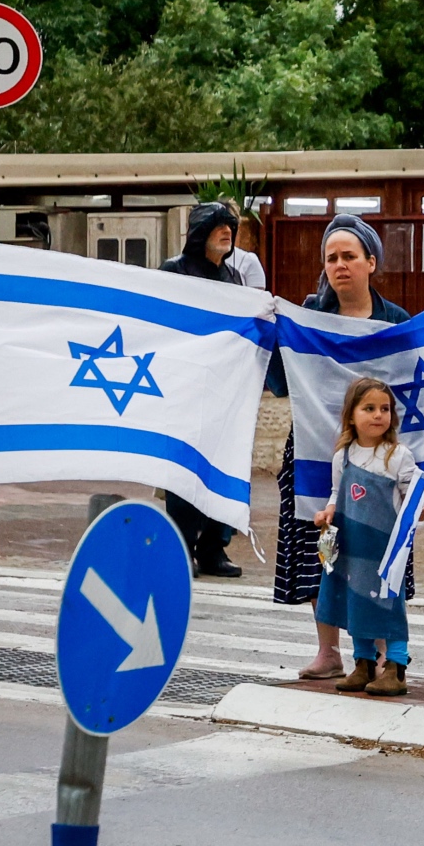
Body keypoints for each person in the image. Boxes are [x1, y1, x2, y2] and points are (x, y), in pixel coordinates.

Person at [281, 214, 413, 680]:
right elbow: (282, 383)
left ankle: (377, 650)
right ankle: (328, 650)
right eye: (331, 258)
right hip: (318, 452)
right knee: (325, 546)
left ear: (370, 262)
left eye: (349, 256)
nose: (340, 265)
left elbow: (414, 384)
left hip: (378, 462)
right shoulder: (309, 318)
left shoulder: (395, 321)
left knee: (374, 552)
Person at [314, 376, 421, 697]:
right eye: (369, 408)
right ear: (351, 415)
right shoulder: (343, 456)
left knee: (389, 604)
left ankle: (396, 666)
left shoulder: (398, 455)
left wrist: (418, 510)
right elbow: (337, 493)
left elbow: (411, 495)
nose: (378, 415)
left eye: (385, 409)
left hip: (385, 548)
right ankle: (362, 662)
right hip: (351, 546)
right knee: (355, 601)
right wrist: (327, 512)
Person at [158, 201, 247, 576]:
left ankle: (213, 547)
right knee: (184, 472)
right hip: (186, 388)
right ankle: (180, 546)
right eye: (217, 226)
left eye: (230, 226)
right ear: (199, 233)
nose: (226, 232)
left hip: (225, 389)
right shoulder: (173, 272)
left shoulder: (235, 278)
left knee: (222, 467)